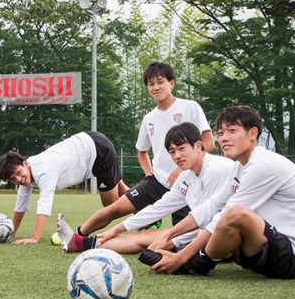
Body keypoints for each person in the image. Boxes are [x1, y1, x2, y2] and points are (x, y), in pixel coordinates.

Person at [146, 105, 295, 279]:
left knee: (234, 213)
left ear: (253, 133)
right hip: (265, 248)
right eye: (220, 133)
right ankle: (191, 259)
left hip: (294, 257)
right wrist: (168, 236)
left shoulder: (263, 165)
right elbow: (211, 207)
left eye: (232, 131)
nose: (224, 138)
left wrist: (182, 257)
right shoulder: (239, 167)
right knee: (224, 215)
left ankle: (193, 265)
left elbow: (226, 215)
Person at [64, 62, 214, 238]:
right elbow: (141, 151)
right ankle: (76, 236)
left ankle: (152, 232)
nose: (156, 87)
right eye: (151, 84)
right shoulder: (149, 118)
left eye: (160, 82)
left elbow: (209, 143)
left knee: (182, 236)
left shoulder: (190, 107)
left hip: (187, 182)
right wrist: (148, 172)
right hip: (157, 181)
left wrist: (181, 170)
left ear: (171, 83)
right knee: (115, 208)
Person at [59, 123, 234, 257]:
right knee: (148, 234)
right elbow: (158, 208)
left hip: (223, 239)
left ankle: (82, 242)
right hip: (204, 231)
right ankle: (81, 242)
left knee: (150, 238)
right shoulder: (185, 177)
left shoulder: (216, 168)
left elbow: (210, 221)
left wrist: (173, 243)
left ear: (198, 145)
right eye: (172, 152)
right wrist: (117, 228)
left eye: (181, 149)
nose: (177, 156)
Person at [0, 131, 128, 244]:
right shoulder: (28, 171)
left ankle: (80, 234)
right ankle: (147, 212)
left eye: (19, 173)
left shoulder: (43, 170)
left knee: (112, 208)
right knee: (126, 193)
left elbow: (45, 203)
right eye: (13, 179)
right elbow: (21, 204)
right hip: (90, 142)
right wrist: (12, 233)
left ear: (25, 163)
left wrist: (35, 238)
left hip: (98, 151)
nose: (18, 179)